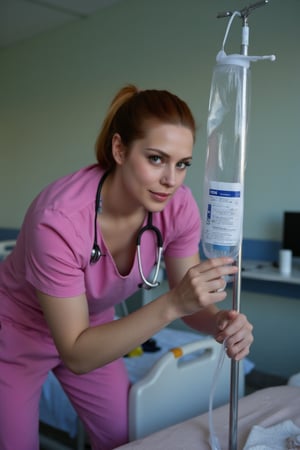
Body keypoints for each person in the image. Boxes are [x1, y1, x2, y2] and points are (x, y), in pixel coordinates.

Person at [0, 84, 253, 450]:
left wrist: (219, 322)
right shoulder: (58, 221)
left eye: (182, 164)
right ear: (119, 149)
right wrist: (171, 304)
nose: (171, 179)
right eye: (156, 159)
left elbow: (190, 301)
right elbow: (77, 354)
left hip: (94, 323)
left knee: (125, 438)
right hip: (19, 330)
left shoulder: (178, 208)